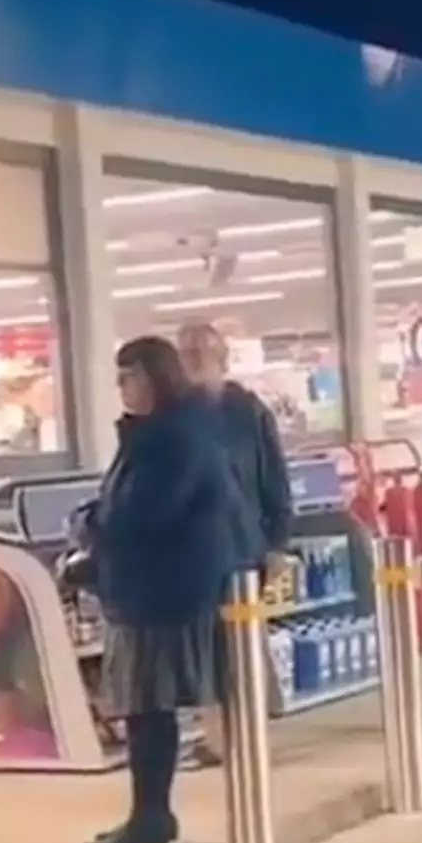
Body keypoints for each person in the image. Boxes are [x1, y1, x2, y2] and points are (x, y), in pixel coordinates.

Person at [82, 334, 237, 843]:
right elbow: (121, 507)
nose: (123, 388)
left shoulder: (175, 439)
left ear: (156, 377)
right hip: (148, 588)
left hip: (163, 594)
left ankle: (150, 817)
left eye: (131, 376)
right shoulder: (154, 436)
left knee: (148, 707)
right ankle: (149, 813)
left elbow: (140, 515)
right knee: (145, 707)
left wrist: (91, 531)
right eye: (119, 378)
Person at [177, 320, 294, 765]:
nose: (191, 360)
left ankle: (247, 733)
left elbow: (274, 476)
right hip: (192, 550)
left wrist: (278, 541)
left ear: (221, 359)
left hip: (243, 544)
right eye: (184, 352)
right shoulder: (173, 414)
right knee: (205, 646)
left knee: (239, 641)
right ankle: (217, 738)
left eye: (199, 352)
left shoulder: (247, 411)